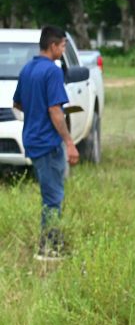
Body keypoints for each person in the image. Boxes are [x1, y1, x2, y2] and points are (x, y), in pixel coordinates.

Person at [13, 26, 79, 260]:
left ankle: (53, 242)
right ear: (53, 46)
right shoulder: (52, 71)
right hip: (47, 143)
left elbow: (18, 103)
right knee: (53, 196)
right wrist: (69, 142)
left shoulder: (28, 68)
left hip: (31, 139)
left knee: (50, 193)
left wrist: (36, 110)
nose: (62, 50)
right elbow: (55, 110)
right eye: (62, 46)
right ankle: (49, 248)